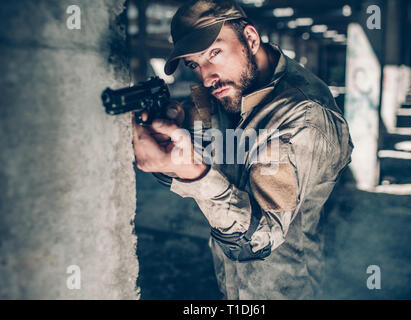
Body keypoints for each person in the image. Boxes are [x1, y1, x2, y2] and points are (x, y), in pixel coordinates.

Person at [132, 0, 353, 299]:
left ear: (250, 38)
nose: (206, 76)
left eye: (214, 53)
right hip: (231, 284)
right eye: (195, 65)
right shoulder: (230, 90)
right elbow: (206, 134)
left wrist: (193, 172)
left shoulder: (304, 116)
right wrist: (173, 130)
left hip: (284, 288)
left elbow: (257, 239)